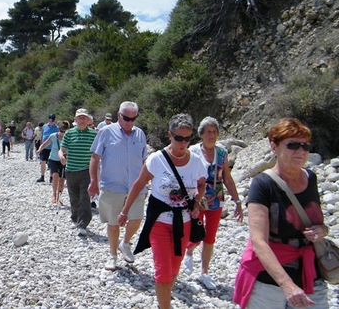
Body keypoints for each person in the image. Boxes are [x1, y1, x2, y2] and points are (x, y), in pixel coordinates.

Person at [233, 118, 329, 309]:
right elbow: (259, 241)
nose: (301, 151)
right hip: (269, 282)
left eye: (305, 145)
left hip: (310, 273)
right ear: (274, 148)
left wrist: (322, 230)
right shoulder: (263, 184)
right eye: (292, 145)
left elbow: (318, 221)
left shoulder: (311, 179)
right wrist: (287, 285)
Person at [118, 113, 206, 309]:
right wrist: (124, 212)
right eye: (178, 138)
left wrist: (197, 202)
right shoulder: (157, 159)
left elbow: (201, 184)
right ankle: (164, 305)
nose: (183, 143)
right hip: (159, 222)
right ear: (170, 135)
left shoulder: (196, 161)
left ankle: (163, 297)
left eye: (187, 138)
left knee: (175, 268)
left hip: (183, 223)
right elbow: (138, 184)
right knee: (163, 271)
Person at [182, 116, 243, 289]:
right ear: (201, 134)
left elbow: (228, 179)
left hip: (216, 200)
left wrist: (237, 201)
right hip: (197, 200)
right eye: (208, 132)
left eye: (214, 132)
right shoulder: (193, 151)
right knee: (196, 233)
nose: (212, 135)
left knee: (210, 237)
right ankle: (189, 250)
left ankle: (204, 273)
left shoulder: (222, 153)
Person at [89, 101, 148, 270]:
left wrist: (146, 183)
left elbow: (144, 161)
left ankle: (126, 243)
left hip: (135, 186)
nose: (129, 122)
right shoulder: (106, 133)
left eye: (133, 119)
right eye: (126, 118)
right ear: (118, 116)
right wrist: (93, 181)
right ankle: (113, 255)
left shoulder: (140, 134)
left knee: (136, 219)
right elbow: (95, 158)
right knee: (113, 224)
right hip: (112, 186)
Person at [59, 109, 97, 236]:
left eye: (84, 117)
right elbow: (62, 149)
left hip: (86, 170)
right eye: (79, 117)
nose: (81, 120)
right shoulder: (69, 133)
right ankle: (75, 217)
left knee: (85, 197)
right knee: (74, 197)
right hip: (71, 170)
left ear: (88, 120)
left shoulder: (94, 134)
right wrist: (61, 157)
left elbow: (98, 152)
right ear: (75, 120)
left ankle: (83, 224)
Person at [37, 121, 70, 205]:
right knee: (55, 176)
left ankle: (59, 197)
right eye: (62, 131)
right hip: (53, 159)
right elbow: (44, 144)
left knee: (62, 180)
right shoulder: (53, 136)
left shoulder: (69, 137)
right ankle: (54, 195)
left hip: (64, 160)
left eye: (65, 131)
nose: (63, 133)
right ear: (59, 130)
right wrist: (39, 149)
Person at [37, 114, 59, 183]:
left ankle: (51, 177)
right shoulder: (44, 126)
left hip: (53, 147)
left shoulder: (57, 128)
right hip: (44, 147)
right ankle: (42, 176)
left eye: (52, 121)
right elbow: (42, 136)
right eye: (50, 121)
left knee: (51, 163)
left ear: (55, 120)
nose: (51, 122)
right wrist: (41, 146)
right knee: (43, 161)